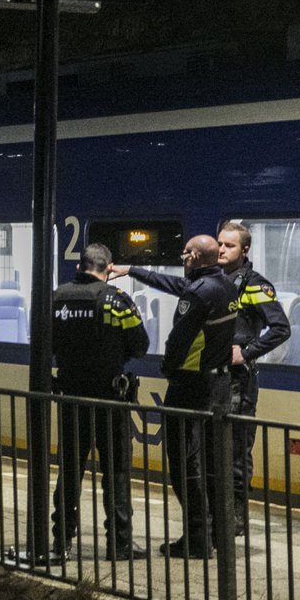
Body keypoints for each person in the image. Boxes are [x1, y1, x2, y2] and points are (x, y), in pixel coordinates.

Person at [124, 235, 237, 558]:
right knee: (214, 464)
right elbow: (177, 284)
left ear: (195, 258)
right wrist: (134, 270)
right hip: (220, 385)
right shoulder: (227, 286)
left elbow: (177, 341)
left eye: (185, 255)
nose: (182, 259)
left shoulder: (198, 295)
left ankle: (197, 538)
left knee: (185, 464)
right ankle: (219, 535)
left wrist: (168, 370)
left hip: (191, 387)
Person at [50, 243, 150, 562]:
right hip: (110, 399)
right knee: (116, 471)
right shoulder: (116, 300)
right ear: (108, 269)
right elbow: (140, 346)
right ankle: (118, 543)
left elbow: (42, 340)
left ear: (80, 267)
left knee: (70, 469)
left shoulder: (55, 297)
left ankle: (61, 539)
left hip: (71, 396)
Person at [212, 221, 292, 534]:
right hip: (212, 380)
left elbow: (281, 328)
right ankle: (216, 514)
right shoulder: (212, 280)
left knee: (235, 453)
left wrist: (246, 352)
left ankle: (236, 518)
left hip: (237, 382)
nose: (221, 249)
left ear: (244, 250)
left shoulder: (255, 285)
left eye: (229, 245)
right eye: (219, 243)